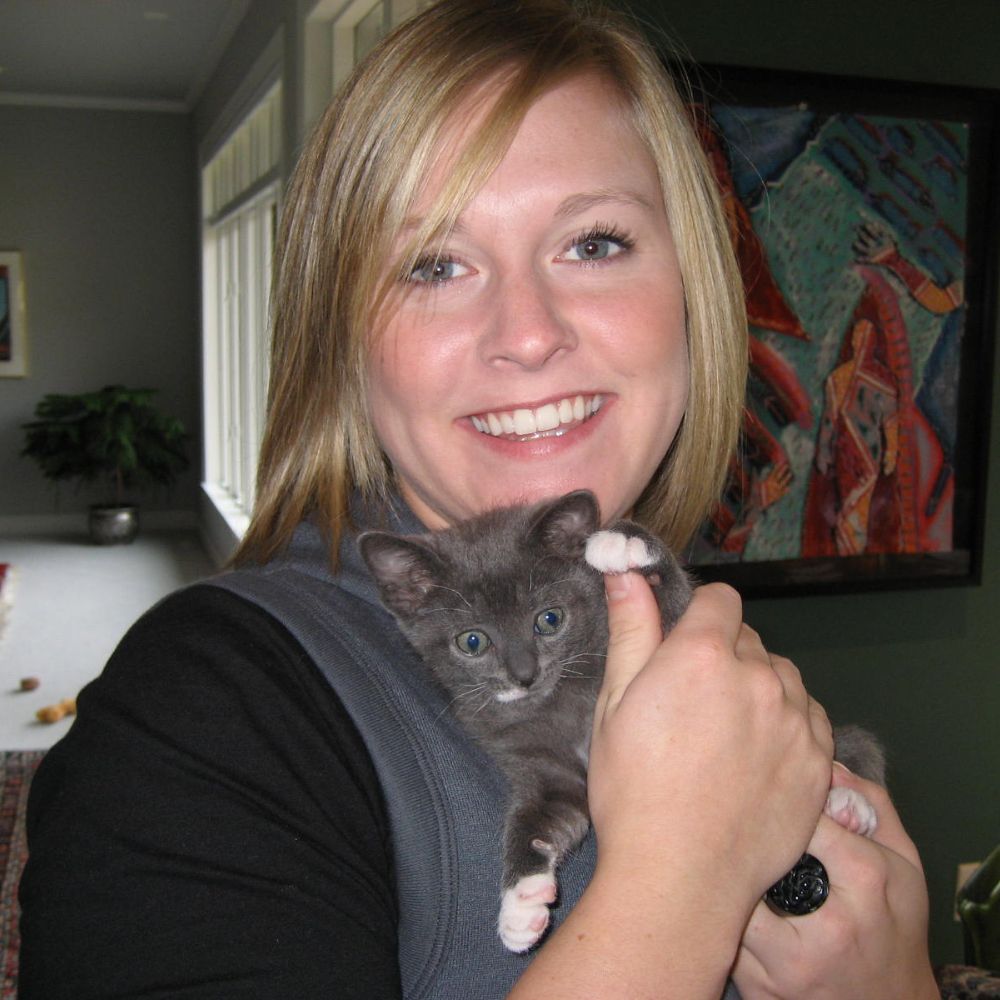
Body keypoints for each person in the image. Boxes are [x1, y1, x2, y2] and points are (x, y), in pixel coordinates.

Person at [19, 1, 938, 997]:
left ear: (692, 291)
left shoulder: (692, 644)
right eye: (436, 264)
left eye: (592, 244)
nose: (528, 331)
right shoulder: (205, 713)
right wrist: (682, 878)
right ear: (340, 339)